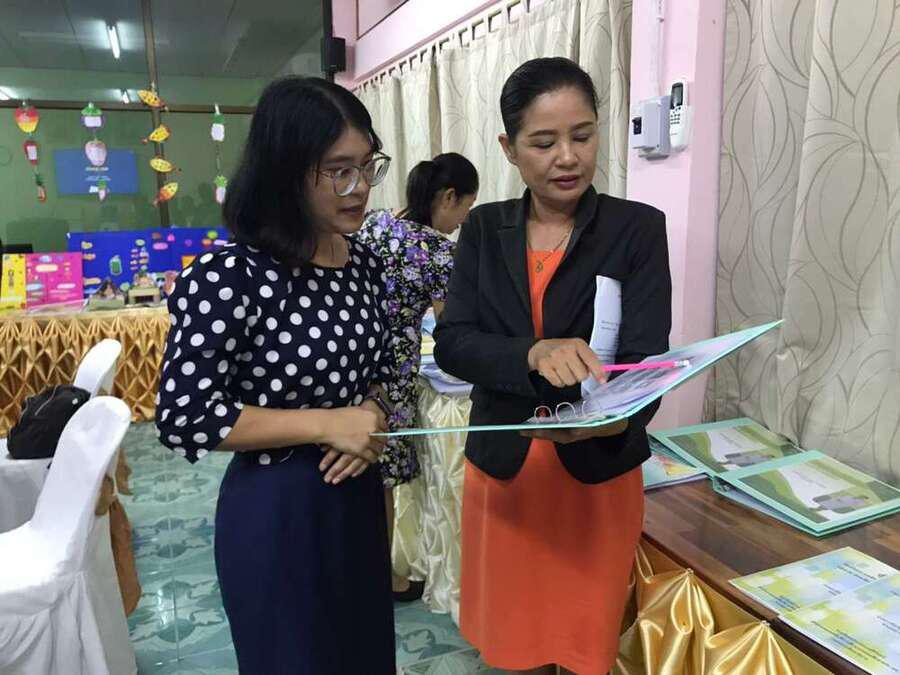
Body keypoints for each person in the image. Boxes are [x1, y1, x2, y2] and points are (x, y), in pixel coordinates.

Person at [434, 57, 672, 674]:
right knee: (516, 646)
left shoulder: (636, 229)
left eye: (582, 136)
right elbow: (453, 343)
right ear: (509, 148)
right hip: (507, 470)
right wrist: (532, 353)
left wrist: (614, 420)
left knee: (585, 643)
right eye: (544, 143)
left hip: (597, 473)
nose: (568, 157)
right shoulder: (484, 228)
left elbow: (646, 358)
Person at [155, 76, 397, 674]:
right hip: (277, 509)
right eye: (338, 171)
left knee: (364, 655)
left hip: (357, 501)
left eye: (367, 166)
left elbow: (388, 365)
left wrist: (373, 411)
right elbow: (185, 415)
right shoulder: (228, 276)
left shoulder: (364, 265)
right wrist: (326, 423)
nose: (360, 187)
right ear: (285, 171)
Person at [356, 152, 478, 600]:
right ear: (449, 197)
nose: (462, 222)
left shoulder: (376, 222)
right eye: (465, 208)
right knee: (384, 475)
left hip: (350, 356)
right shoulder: (438, 251)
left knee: (356, 466)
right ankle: (386, 578)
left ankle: (357, 567)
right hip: (392, 370)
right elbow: (451, 330)